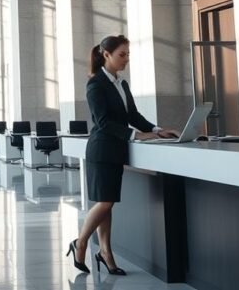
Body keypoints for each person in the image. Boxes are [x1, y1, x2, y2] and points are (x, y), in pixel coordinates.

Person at [66, 35, 179, 275]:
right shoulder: (95, 84)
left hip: (115, 150)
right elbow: (103, 122)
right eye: (122, 54)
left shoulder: (121, 83)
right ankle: (81, 242)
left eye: (128, 54)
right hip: (101, 150)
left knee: (108, 204)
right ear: (106, 55)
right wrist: (137, 136)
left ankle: (105, 252)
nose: (126, 59)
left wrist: (157, 130)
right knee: (105, 202)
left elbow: (133, 115)